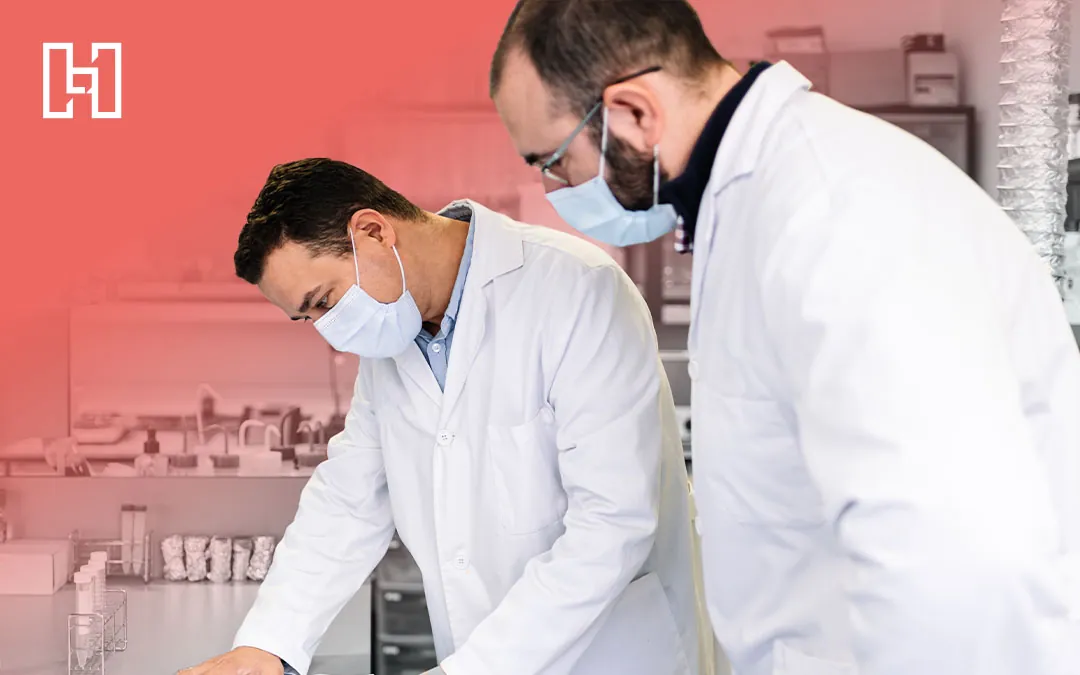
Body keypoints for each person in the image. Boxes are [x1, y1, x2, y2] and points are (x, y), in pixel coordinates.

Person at [488, 1, 1080, 674]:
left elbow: (951, 556)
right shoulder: (747, 204)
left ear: (634, 112)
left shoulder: (834, 209)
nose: (553, 186)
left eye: (553, 159)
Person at [178, 158, 712, 675]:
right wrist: (267, 644)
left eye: (324, 300)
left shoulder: (577, 288)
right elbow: (350, 498)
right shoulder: (393, 338)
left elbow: (612, 526)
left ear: (373, 231)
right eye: (307, 317)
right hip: (479, 654)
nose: (328, 329)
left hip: (613, 655)